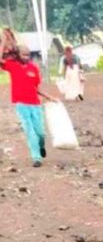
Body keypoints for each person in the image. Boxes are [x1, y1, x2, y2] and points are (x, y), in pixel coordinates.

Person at [0, 31, 59, 168]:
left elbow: (36, 88)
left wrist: (49, 97)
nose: (26, 57)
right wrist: (3, 41)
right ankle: (36, 157)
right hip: (21, 105)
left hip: (35, 105)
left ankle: (41, 145)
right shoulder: (12, 66)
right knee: (29, 131)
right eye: (23, 55)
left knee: (40, 132)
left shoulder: (34, 69)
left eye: (28, 55)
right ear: (18, 56)